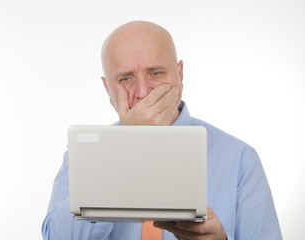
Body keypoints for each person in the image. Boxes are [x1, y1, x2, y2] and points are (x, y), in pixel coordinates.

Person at [41, 20, 282, 240]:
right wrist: (127, 146)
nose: (144, 91)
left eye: (155, 73)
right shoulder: (82, 155)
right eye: (126, 78)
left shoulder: (240, 159)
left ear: (179, 74)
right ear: (108, 89)